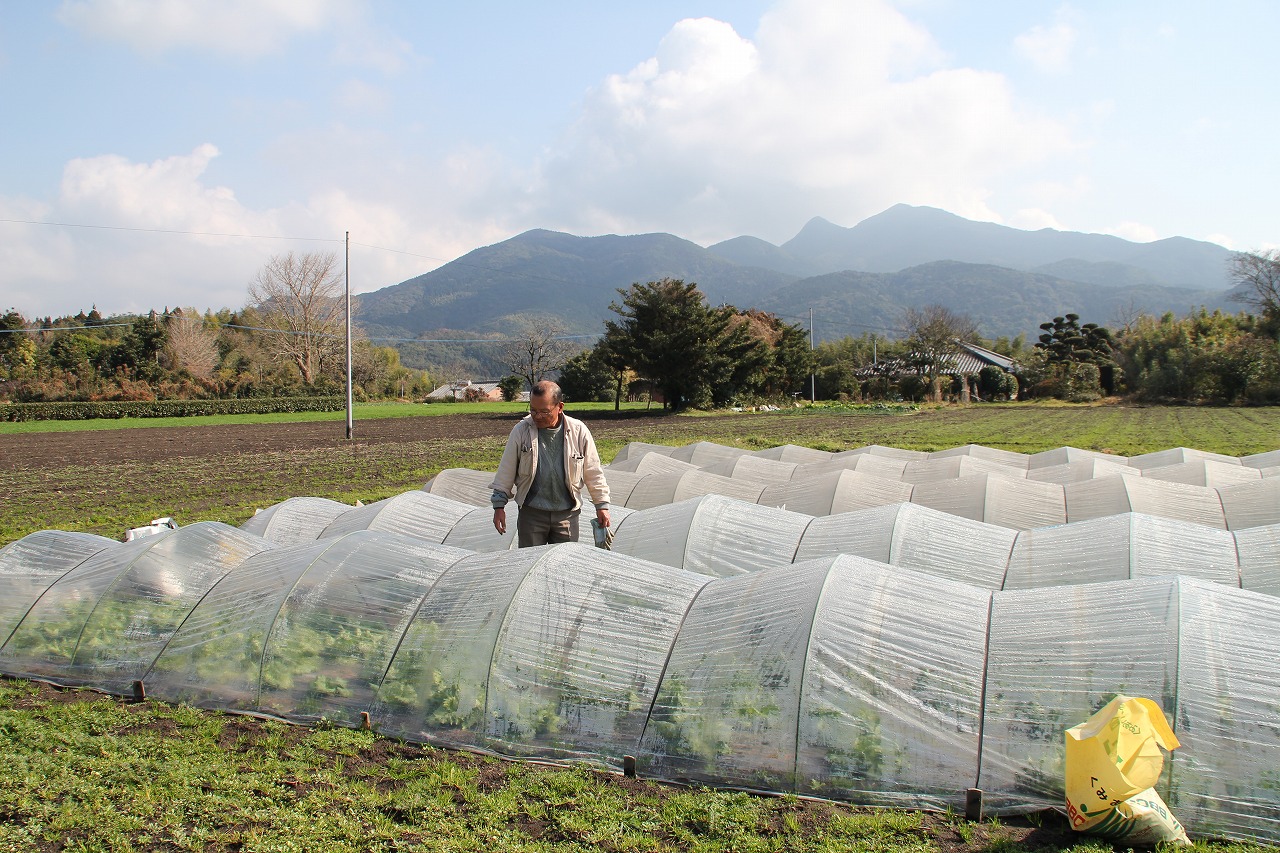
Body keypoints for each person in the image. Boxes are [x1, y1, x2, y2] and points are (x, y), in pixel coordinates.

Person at [490, 380, 611, 547]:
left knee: (563, 566)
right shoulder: (521, 431)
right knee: (530, 562)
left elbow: (593, 472)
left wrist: (601, 505)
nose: (537, 417)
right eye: (533, 410)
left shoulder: (578, 431)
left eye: (544, 412)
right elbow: (506, 470)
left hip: (566, 515)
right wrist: (499, 506)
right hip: (532, 514)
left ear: (560, 407)